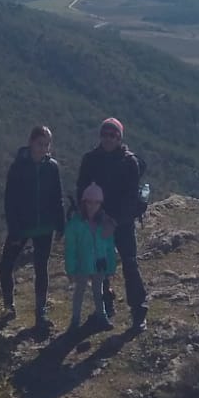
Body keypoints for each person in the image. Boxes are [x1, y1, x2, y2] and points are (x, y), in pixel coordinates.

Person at [75, 117, 148, 329]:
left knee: (129, 263)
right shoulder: (90, 159)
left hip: (122, 222)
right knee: (100, 265)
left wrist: (114, 220)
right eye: (105, 134)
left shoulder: (129, 162)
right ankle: (104, 305)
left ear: (119, 138)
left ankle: (139, 310)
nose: (108, 139)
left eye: (112, 135)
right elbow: (82, 189)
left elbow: (132, 198)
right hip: (98, 220)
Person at [0, 125, 66, 330]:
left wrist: (60, 224)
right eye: (40, 144)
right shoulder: (18, 166)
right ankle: (8, 306)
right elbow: (9, 200)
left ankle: (40, 313)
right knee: (6, 265)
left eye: (47, 145)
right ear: (31, 142)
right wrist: (15, 228)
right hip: (22, 225)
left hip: (44, 226)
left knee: (41, 269)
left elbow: (57, 197)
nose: (44, 148)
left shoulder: (52, 167)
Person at [64, 182, 118, 329]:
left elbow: (109, 248)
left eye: (96, 202)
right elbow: (70, 249)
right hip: (83, 263)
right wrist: (70, 269)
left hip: (100, 263)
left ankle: (102, 317)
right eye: (89, 202)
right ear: (84, 202)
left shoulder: (105, 223)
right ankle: (75, 321)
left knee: (98, 292)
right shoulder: (75, 224)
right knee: (79, 292)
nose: (92, 205)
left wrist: (111, 267)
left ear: (101, 203)